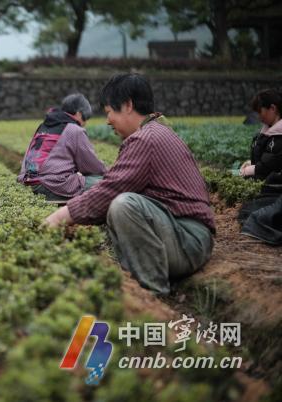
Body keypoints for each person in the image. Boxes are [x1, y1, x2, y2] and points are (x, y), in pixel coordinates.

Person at [44, 73, 215, 295]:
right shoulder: (154, 132)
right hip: (183, 235)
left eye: (109, 112)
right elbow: (111, 184)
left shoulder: (146, 139)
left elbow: (110, 190)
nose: (107, 121)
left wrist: (58, 218)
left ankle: (152, 291)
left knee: (123, 204)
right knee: (118, 205)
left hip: (189, 241)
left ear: (127, 105)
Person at [17, 93, 106, 201]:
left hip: (27, 182)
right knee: (104, 182)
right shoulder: (74, 129)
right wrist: (110, 172)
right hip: (50, 186)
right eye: (85, 118)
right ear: (79, 114)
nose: (84, 123)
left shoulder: (43, 125)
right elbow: (91, 166)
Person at [239, 89, 282, 181]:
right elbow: (269, 161)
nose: (259, 117)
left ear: (273, 109)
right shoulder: (267, 131)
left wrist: (250, 170)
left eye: (260, 111)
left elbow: (269, 168)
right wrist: (252, 163)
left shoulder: (279, 137)